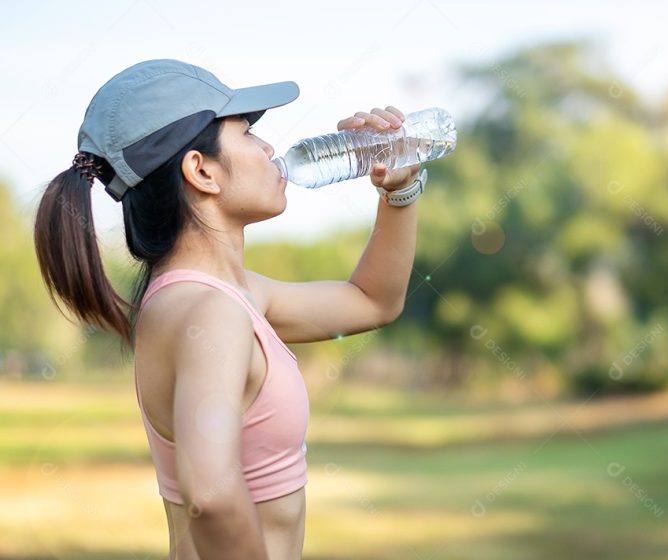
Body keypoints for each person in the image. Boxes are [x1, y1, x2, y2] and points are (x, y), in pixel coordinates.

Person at [33, 59, 425, 559]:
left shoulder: (221, 296)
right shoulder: (209, 313)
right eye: (247, 133)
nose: (269, 149)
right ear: (201, 171)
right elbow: (211, 492)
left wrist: (400, 193)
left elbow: (372, 302)